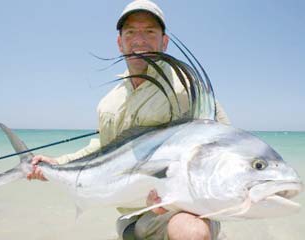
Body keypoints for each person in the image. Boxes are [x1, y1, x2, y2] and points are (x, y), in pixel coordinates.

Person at [28, 1, 230, 239]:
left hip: (185, 211)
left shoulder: (187, 88)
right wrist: (57, 163)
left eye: (150, 32)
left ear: (164, 42)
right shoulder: (109, 102)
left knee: (190, 233)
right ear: (120, 42)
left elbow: (221, 146)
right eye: (131, 32)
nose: (139, 40)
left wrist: (178, 195)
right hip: (132, 214)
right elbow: (104, 149)